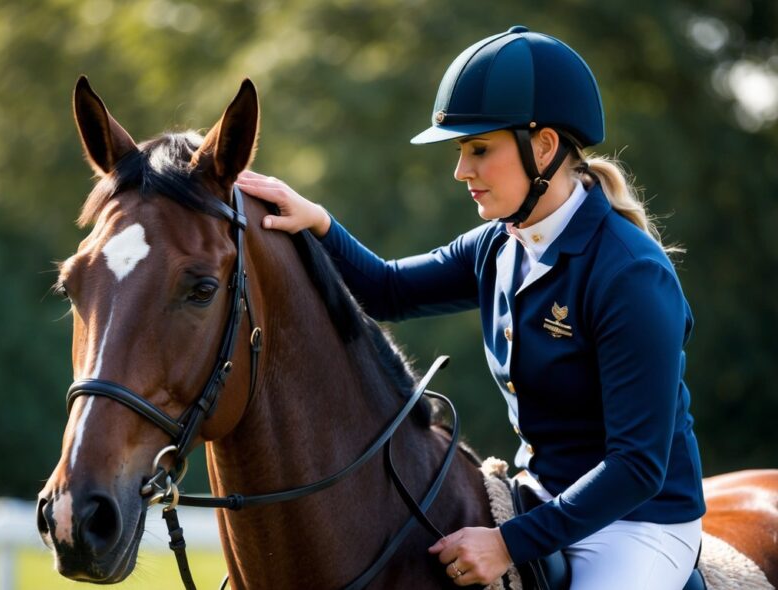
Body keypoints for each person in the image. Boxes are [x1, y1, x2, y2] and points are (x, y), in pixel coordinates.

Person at [235, 25, 707, 589]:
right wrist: (318, 223)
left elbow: (637, 466)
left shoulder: (631, 276)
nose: (462, 171)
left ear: (545, 147)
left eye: (479, 149)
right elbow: (387, 290)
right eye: (462, 152)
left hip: (635, 524)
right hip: (538, 494)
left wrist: (509, 543)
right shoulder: (500, 244)